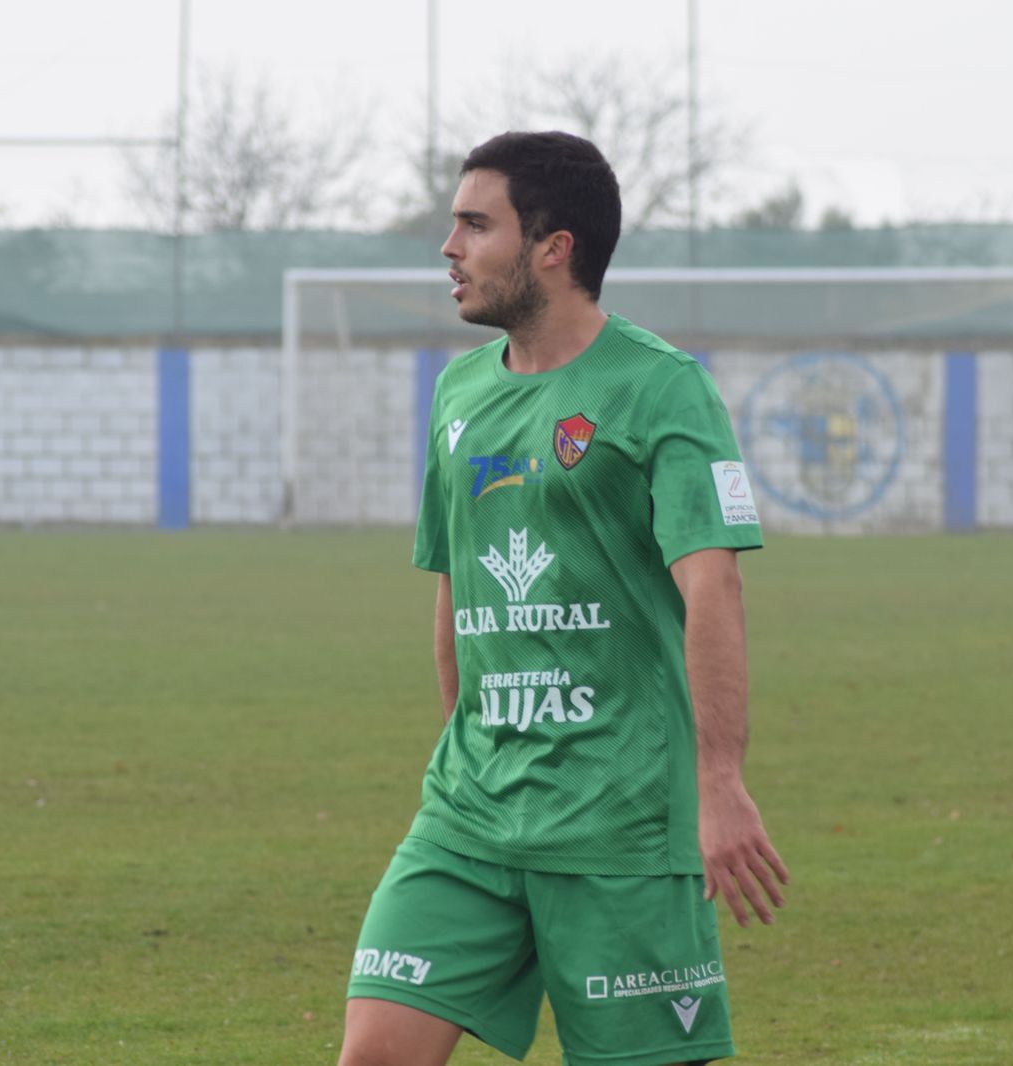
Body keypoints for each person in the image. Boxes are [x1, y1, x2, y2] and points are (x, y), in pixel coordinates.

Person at [338, 132, 787, 1066]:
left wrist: (719, 781)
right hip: (470, 814)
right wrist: (468, 741)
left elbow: (714, 585)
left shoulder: (661, 388)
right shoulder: (460, 391)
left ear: (554, 247)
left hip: (619, 822)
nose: (449, 248)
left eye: (475, 224)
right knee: (375, 1052)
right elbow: (457, 582)